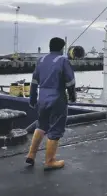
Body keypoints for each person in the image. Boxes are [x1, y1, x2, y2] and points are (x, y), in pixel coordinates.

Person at [25, 37, 76, 170]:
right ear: (62, 48)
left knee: (41, 125)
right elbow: (70, 82)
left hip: (42, 98)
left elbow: (34, 81)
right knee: (55, 129)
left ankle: (31, 155)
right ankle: (50, 161)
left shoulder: (41, 60)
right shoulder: (63, 60)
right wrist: (72, 97)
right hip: (57, 98)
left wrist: (32, 99)